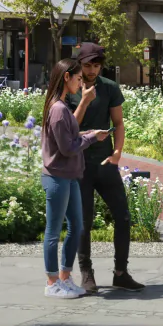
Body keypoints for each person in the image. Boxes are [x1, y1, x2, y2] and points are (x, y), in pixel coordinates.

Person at [71, 41, 143, 295]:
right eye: (88, 65)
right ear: (79, 64)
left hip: (104, 162)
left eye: (97, 65)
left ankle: (121, 273)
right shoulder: (69, 88)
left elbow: (119, 122)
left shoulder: (110, 87)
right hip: (77, 164)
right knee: (84, 221)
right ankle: (86, 273)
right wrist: (84, 101)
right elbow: (67, 128)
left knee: (123, 216)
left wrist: (117, 153)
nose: (92, 71)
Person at [39, 59, 108, 298]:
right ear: (66, 77)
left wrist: (88, 133)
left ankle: (65, 277)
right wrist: (90, 139)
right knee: (53, 231)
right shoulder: (57, 109)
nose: (82, 83)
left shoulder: (62, 106)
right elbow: (67, 148)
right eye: (79, 78)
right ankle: (51, 283)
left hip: (69, 176)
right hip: (57, 177)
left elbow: (69, 136)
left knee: (77, 226)